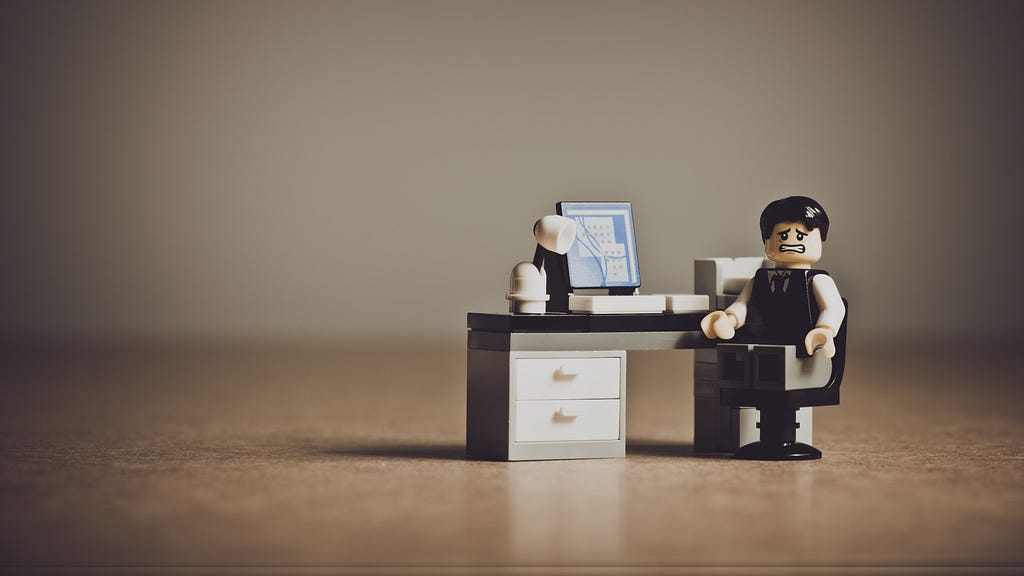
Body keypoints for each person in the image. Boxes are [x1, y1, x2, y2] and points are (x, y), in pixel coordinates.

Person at [701, 196, 845, 358]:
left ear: (820, 240)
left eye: (800, 236)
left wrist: (824, 329)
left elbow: (834, 308)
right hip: (761, 345)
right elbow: (743, 305)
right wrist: (730, 319)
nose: (791, 242)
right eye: (782, 236)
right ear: (766, 241)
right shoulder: (760, 279)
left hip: (803, 349)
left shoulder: (818, 280)